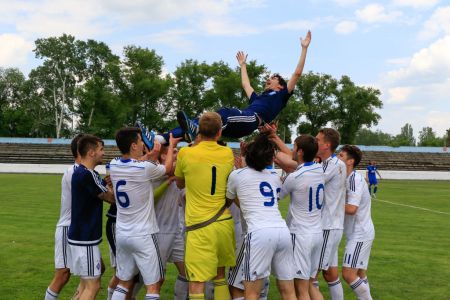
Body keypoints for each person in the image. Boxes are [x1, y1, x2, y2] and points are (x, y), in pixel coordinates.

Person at [151, 31, 311, 144]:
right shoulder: (258, 98)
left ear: (280, 86)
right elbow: (245, 84)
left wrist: (304, 48)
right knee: (203, 121)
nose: (268, 79)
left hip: (252, 119)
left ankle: (197, 130)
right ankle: (161, 139)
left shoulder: (281, 96)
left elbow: (296, 74)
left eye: (272, 78)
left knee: (225, 113)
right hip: (242, 122)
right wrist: (243, 65)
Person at [109, 127, 180, 300]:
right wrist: (170, 146)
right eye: (141, 141)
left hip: (123, 233)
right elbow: (168, 168)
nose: (143, 144)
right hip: (144, 234)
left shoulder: (113, 164)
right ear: (134, 146)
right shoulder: (145, 169)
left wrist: (151, 154)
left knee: (124, 282)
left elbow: (137, 162)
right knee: (154, 284)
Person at [226, 133, 296, 300]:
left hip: (259, 234)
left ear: (248, 156)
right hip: (282, 232)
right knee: (288, 292)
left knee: (251, 293)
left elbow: (228, 202)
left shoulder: (237, 175)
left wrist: (243, 158)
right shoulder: (273, 177)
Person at [174, 112, 235, 300]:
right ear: (219, 134)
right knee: (220, 276)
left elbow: (179, 183)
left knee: (196, 282)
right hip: (223, 221)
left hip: (199, 226)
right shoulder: (227, 153)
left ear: (199, 132)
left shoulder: (186, 152)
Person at [68, 134, 115, 300]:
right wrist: (112, 188)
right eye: (101, 149)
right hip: (84, 239)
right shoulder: (87, 174)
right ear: (91, 153)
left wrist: (108, 186)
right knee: (93, 286)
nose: (104, 153)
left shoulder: (84, 173)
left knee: (84, 285)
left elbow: (103, 192)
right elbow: (111, 199)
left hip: (81, 237)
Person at [279, 134, 325, 300]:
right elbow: (294, 167)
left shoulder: (295, 177)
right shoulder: (320, 170)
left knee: (301, 289)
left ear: (300, 152)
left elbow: (277, 195)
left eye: (294, 147)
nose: (292, 149)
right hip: (317, 233)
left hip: (301, 235)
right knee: (310, 284)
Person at [45, 134, 84, 300]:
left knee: (94, 271)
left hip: (79, 230)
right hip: (68, 228)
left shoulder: (82, 172)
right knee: (62, 275)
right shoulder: (75, 173)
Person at [339, 145, 374, 300]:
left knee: (348, 274)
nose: (336, 158)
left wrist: (332, 203)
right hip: (359, 232)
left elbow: (352, 208)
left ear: (350, 161)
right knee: (360, 273)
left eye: (340, 155)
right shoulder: (346, 178)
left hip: (359, 233)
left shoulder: (354, 180)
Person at [153, 146, 189, 300]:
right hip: (158, 233)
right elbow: (149, 199)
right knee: (156, 279)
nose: (177, 154)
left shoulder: (181, 178)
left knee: (187, 273)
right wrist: (168, 181)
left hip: (177, 232)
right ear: (162, 156)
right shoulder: (155, 176)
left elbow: (185, 198)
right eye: (173, 152)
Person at [315, 128, 347, 300]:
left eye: (318, 140)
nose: (315, 142)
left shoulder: (332, 165)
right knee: (331, 274)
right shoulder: (334, 164)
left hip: (327, 226)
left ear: (327, 145)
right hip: (332, 225)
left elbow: (312, 179)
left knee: (310, 275)